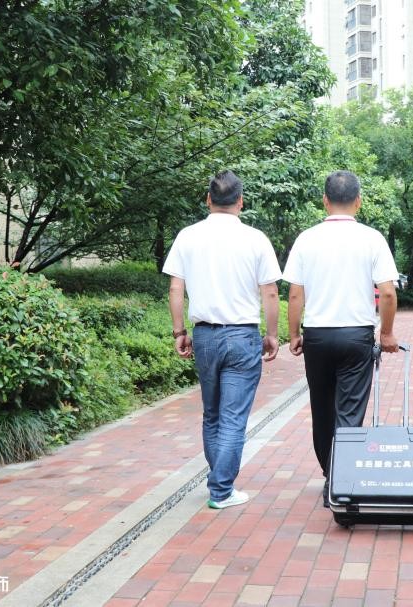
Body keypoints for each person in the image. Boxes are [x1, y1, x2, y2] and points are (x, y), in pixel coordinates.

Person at [163, 170, 281, 510]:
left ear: (208, 200)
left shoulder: (188, 236)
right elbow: (270, 292)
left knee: (211, 413)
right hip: (242, 335)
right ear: (241, 202)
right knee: (232, 417)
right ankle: (222, 490)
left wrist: (178, 331)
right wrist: (272, 335)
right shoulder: (256, 239)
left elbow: (175, 288)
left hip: (204, 336)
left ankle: (220, 481)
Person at [282, 170, 400, 508]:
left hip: (317, 336)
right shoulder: (372, 238)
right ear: (359, 201)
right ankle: (341, 480)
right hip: (355, 336)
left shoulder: (307, 238)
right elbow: (388, 293)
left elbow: (294, 295)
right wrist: (387, 332)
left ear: (325, 200)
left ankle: (329, 473)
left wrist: (293, 335)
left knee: (322, 408)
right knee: (349, 411)